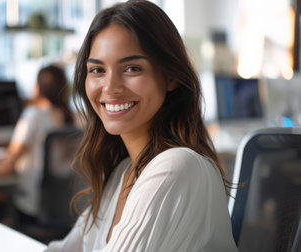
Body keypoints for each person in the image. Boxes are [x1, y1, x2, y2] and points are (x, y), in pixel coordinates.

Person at [46, 1, 238, 251]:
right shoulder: (122, 173)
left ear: (170, 76)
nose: (110, 87)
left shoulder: (177, 167)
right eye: (97, 70)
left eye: (132, 68)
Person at [0, 64, 73, 226]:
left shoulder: (33, 115)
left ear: (37, 88)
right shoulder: (75, 117)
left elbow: (5, 169)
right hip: (66, 207)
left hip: (32, 205)